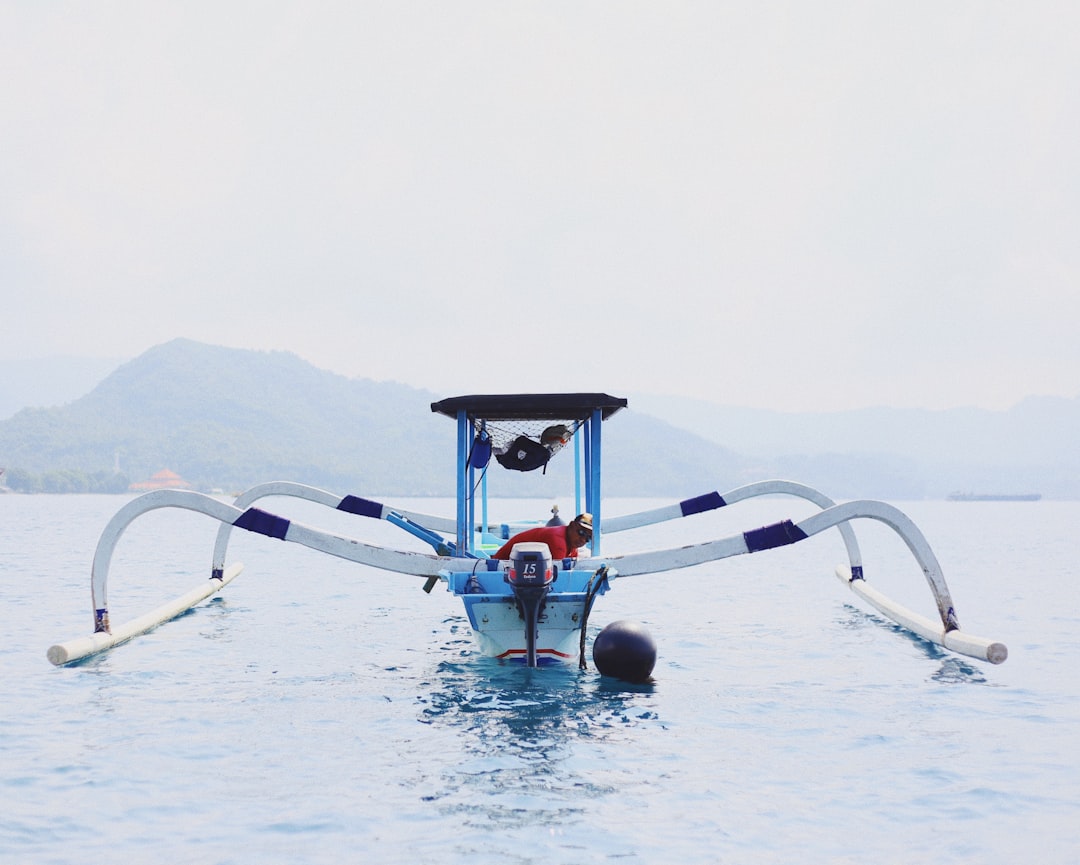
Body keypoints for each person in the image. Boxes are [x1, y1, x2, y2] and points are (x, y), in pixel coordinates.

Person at [491, 512, 593, 560]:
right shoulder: (558, 541)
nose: (583, 539)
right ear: (571, 525)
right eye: (581, 533)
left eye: (588, 538)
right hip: (500, 566)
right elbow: (559, 574)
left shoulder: (571, 543)